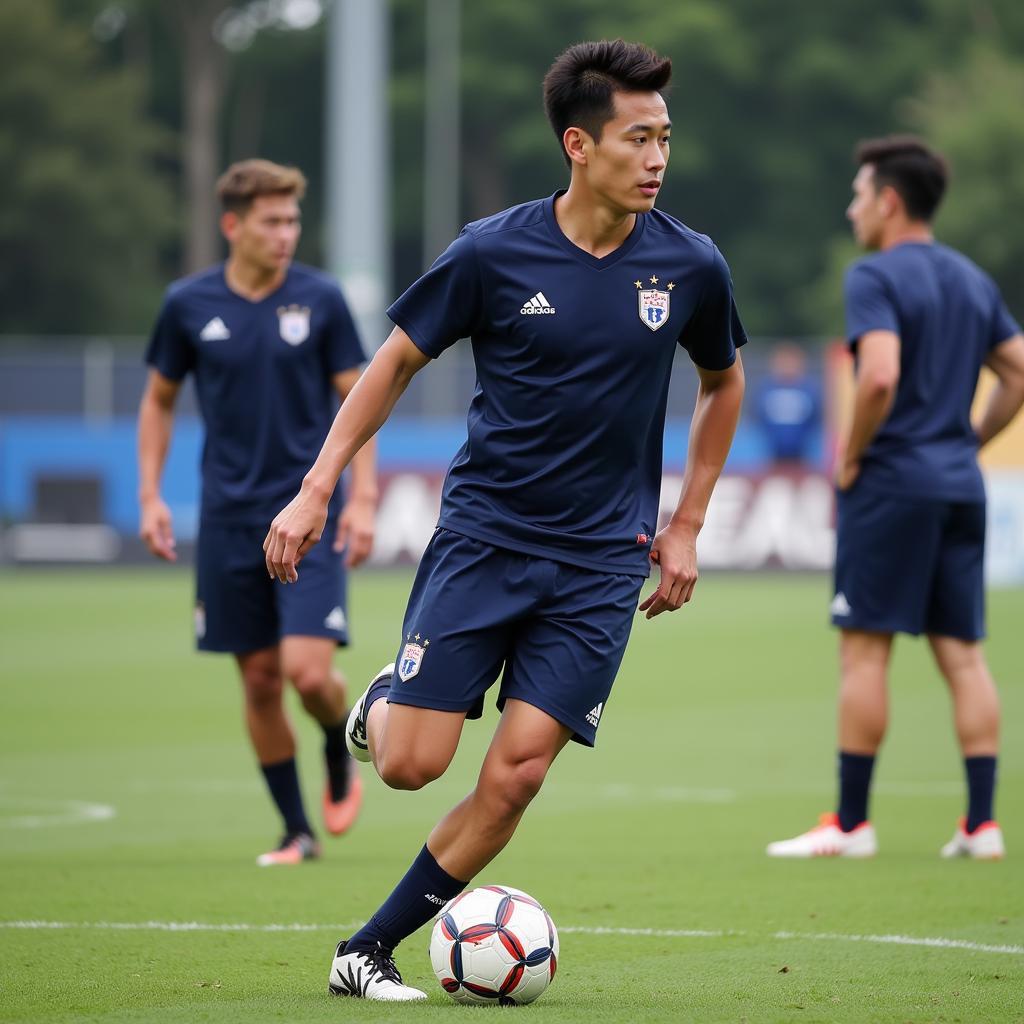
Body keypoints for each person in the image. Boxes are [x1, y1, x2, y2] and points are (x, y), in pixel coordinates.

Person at [265, 40, 746, 1001]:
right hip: (487, 539)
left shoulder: (690, 264)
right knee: (410, 766)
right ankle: (383, 710)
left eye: (664, 138)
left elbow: (722, 381)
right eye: (636, 138)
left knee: (518, 774)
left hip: (603, 563)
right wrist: (318, 485)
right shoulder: (492, 250)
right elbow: (393, 364)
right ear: (579, 143)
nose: (657, 158)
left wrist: (687, 522)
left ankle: (365, 950)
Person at [767, 136, 1024, 860]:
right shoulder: (972, 279)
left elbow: (878, 375)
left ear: (889, 201)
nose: (852, 209)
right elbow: (1019, 371)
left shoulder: (873, 277)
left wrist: (852, 454)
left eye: (858, 194)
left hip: (893, 484)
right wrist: (970, 441)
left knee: (865, 656)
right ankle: (981, 825)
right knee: (965, 658)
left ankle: (850, 824)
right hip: (958, 486)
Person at [137, 159, 377, 866]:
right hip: (228, 520)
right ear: (233, 225)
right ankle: (296, 832)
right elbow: (158, 399)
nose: (286, 234)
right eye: (272, 221)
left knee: (307, 673)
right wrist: (150, 494)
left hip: (310, 514)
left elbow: (358, 401)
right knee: (260, 680)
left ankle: (336, 739)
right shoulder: (187, 304)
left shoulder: (322, 300)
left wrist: (360, 497)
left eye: (294, 220)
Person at [754, 342, 821, 465]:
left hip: (801, 451)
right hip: (774, 451)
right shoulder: (767, 388)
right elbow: (759, 415)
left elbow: (815, 417)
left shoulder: (808, 388)